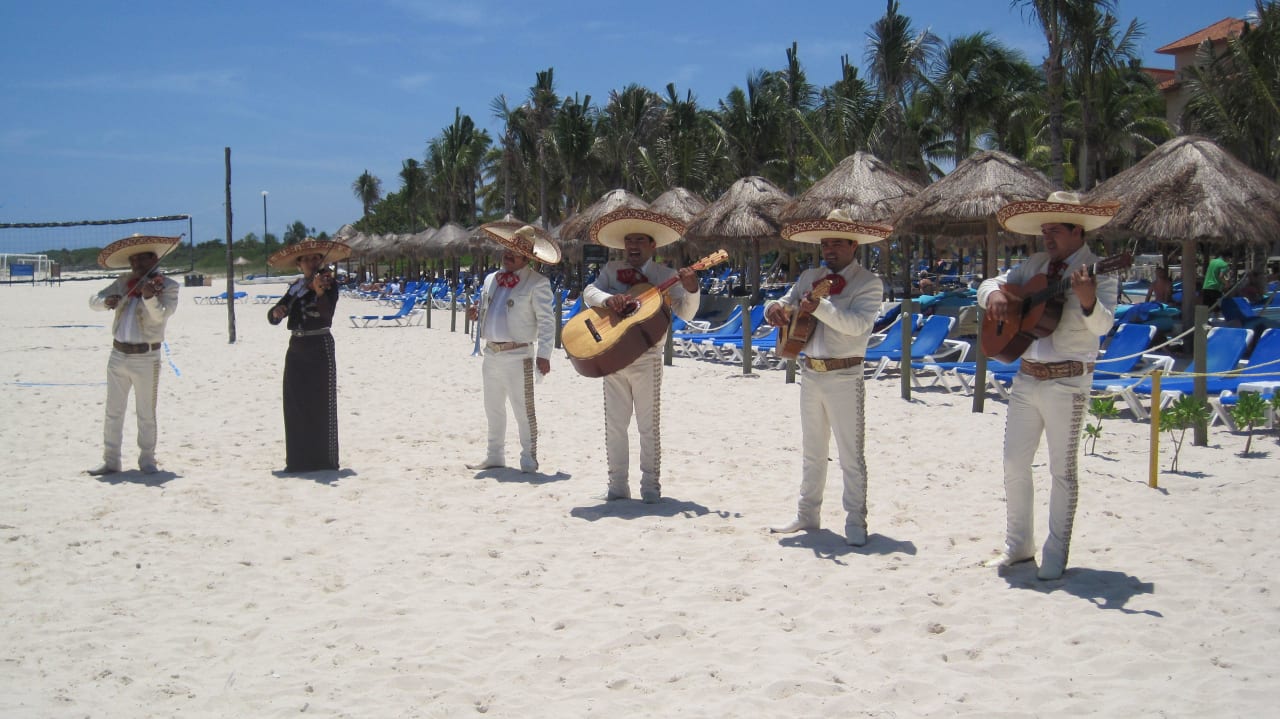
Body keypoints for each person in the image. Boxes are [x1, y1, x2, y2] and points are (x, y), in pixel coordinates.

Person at [978, 191, 1119, 580]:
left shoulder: (1100, 270)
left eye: (1054, 231)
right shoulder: (1036, 265)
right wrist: (994, 296)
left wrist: (1089, 302)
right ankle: (1018, 546)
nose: (1047, 239)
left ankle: (1056, 551)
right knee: (1013, 462)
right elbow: (991, 282)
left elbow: (1104, 327)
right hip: (1027, 377)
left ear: (1078, 231)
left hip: (1068, 381)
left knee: (1062, 469)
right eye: (1044, 231)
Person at [766, 209, 890, 547]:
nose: (830, 248)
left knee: (851, 453)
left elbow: (858, 325)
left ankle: (855, 520)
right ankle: (808, 513)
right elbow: (786, 301)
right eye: (826, 243)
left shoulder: (869, 283)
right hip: (810, 371)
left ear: (853, 245)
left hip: (845, 374)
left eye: (837, 242)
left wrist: (818, 307)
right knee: (812, 449)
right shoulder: (809, 276)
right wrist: (773, 308)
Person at [582, 208, 701, 503]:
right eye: (628, 241)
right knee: (615, 424)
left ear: (653, 246)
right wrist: (610, 299)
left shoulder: (666, 276)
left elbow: (686, 313)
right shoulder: (611, 271)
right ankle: (617, 485)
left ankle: (650, 486)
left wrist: (693, 289)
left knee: (648, 426)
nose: (632, 246)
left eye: (639, 240)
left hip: (647, 358)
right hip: (612, 356)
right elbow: (588, 293)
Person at [465, 223, 561, 474]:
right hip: (491, 353)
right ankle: (494, 455)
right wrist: (476, 314)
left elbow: (547, 321)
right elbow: (487, 307)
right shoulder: (490, 279)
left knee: (523, 409)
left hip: (519, 355)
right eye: (506, 250)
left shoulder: (537, 283)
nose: (508, 256)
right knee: (493, 407)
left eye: (515, 253)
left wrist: (544, 354)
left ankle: (529, 458)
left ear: (527, 258)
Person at [87, 234, 182, 475]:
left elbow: (161, 315)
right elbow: (93, 301)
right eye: (134, 260)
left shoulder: (168, 286)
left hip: (146, 357)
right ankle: (111, 460)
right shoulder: (123, 282)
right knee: (113, 410)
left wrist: (149, 297)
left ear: (154, 259)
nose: (137, 264)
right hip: (118, 353)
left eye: (143, 259)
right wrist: (106, 301)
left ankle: (147, 460)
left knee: (146, 412)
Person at [267, 238, 352, 472]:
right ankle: (298, 460)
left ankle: (323, 460)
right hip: (296, 347)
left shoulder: (328, 283)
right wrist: (277, 312)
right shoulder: (295, 286)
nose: (313, 262)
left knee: (321, 403)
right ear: (300, 264)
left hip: (319, 344)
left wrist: (319, 291)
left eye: (316, 258)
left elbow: (327, 315)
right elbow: (274, 316)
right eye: (307, 259)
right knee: (295, 404)